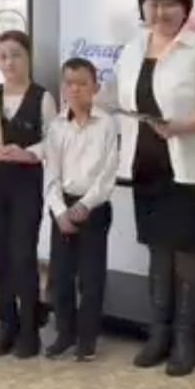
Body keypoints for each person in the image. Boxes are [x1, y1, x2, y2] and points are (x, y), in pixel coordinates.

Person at [104, 0, 195, 376]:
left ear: (185, 9)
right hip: (146, 165)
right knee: (158, 250)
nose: (160, 12)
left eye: (169, 4)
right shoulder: (132, 49)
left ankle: (185, 340)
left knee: (188, 253)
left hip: (192, 168)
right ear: (142, 8)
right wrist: (84, 98)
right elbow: (115, 94)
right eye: (153, 4)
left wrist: (182, 126)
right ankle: (158, 334)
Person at [0, 30, 57, 359]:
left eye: (16, 55)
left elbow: (54, 141)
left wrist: (28, 153)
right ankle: (6, 323)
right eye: (3, 56)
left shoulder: (43, 98)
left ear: (28, 57)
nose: (9, 62)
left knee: (23, 254)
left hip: (27, 184)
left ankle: (29, 328)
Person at [45, 57, 118, 362]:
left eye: (82, 83)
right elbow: (51, 174)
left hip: (94, 208)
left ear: (95, 87)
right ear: (63, 88)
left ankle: (87, 340)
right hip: (63, 207)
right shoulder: (56, 126)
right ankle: (64, 334)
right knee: (61, 277)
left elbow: (108, 173)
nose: (75, 89)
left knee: (91, 279)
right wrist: (60, 211)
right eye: (69, 83)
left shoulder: (107, 124)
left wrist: (86, 204)